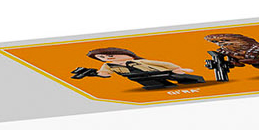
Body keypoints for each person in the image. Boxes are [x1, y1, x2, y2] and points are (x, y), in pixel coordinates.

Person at [70, 48, 207, 91]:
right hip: (136, 77)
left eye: (111, 55)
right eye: (102, 57)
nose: (108, 58)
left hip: (159, 71)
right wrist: (94, 74)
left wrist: (177, 68)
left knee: (180, 78)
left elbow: (161, 63)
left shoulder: (138, 61)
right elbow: (105, 74)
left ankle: (192, 80)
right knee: (154, 85)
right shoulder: (108, 66)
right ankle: (162, 86)